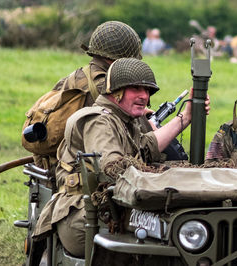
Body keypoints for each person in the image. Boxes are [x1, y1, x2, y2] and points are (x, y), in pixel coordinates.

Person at [33, 58, 210, 258]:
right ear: (115, 91)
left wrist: (185, 117)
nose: (144, 96)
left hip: (108, 210)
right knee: (162, 232)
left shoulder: (122, 120)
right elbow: (114, 169)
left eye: (147, 91)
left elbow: (146, 147)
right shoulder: (99, 121)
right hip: (82, 218)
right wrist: (163, 177)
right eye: (135, 89)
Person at [28, 21, 145, 174]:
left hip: (53, 160)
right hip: (73, 167)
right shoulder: (106, 86)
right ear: (118, 59)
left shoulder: (76, 76)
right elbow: (139, 134)